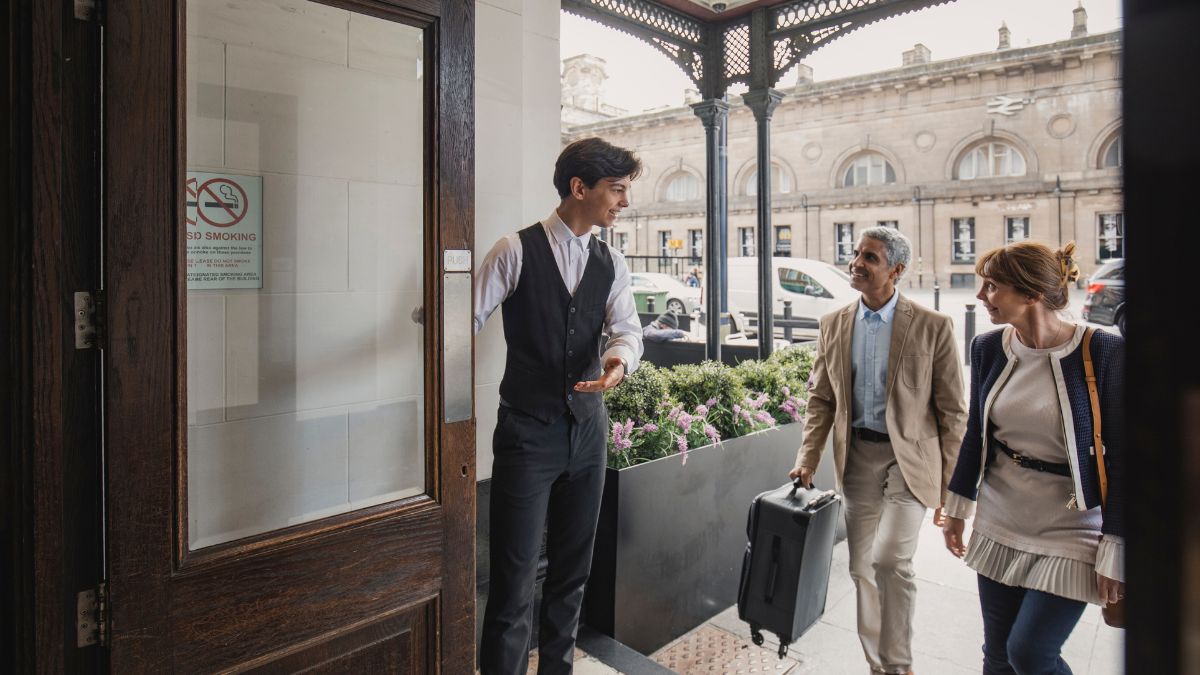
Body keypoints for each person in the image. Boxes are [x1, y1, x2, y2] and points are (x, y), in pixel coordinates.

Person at [473, 137, 643, 675]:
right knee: (513, 583)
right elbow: (460, 328)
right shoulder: (514, 250)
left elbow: (627, 331)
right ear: (579, 188)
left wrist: (618, 360)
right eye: (616, 190)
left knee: (572, 577)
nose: (624, 202)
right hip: (527, 434)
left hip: (588, 435)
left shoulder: (612, 261)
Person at [789, 225, 967, 675]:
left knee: (891, 560)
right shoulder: (834, 324)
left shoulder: (933, 326)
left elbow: (953, 413)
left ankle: (899, 664)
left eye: (870, 257)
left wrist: (953, 491)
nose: (857, 263)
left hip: (911, 461)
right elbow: (822, 399)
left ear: (897, 270)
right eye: (856, 254)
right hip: (858, 459)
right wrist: (807, 458)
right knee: (861, 568)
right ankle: (878, 665)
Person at [941, 241, 1124, 675]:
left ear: (1031, 294)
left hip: (1072, 530)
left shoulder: (1105, 352)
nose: (981, 296)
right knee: (999, 655)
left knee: (1031, 653)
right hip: (1001, 519)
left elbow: (1129, 460)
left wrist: (1118, 543)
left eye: (992, 287)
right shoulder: (988, 347)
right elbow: (975, 433)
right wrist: (956, 509)